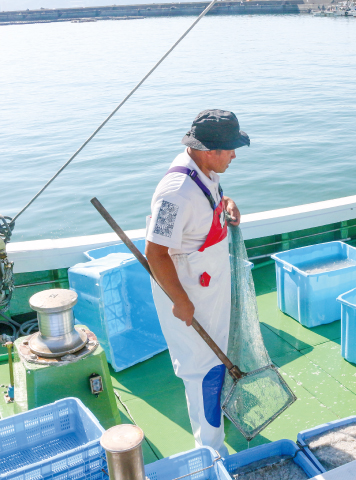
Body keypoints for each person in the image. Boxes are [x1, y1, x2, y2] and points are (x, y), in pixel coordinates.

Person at [145, 109, 249, 454]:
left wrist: (227, 205)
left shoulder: (206, 170)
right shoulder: (175, 192)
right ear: (208, 150)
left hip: (212, 287)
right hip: (190, 293)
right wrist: (181, 301)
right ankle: (210, 449)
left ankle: (216, 423)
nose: (234, 155)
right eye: (230, 149)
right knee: (202, 369)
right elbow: (155, 251)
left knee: (219, 357)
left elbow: (209, 203)